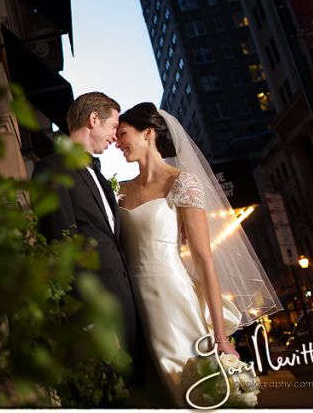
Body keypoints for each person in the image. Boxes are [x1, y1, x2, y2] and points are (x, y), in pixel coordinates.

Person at [114, 102, 282, 406]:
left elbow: (205, 261)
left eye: (123, 134)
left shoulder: (182, 183)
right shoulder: (120, 191)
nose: (117, 143)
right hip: (131, 301)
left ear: (148, 132)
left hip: (172, 298)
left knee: (184, 388)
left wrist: (220, 337)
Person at [32, 92, 148, 399]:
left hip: (128, 311)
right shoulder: (51, 169)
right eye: (112, 126)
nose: (115, 135)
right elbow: (61, 247)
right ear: (93, 119)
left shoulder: (99, 177)